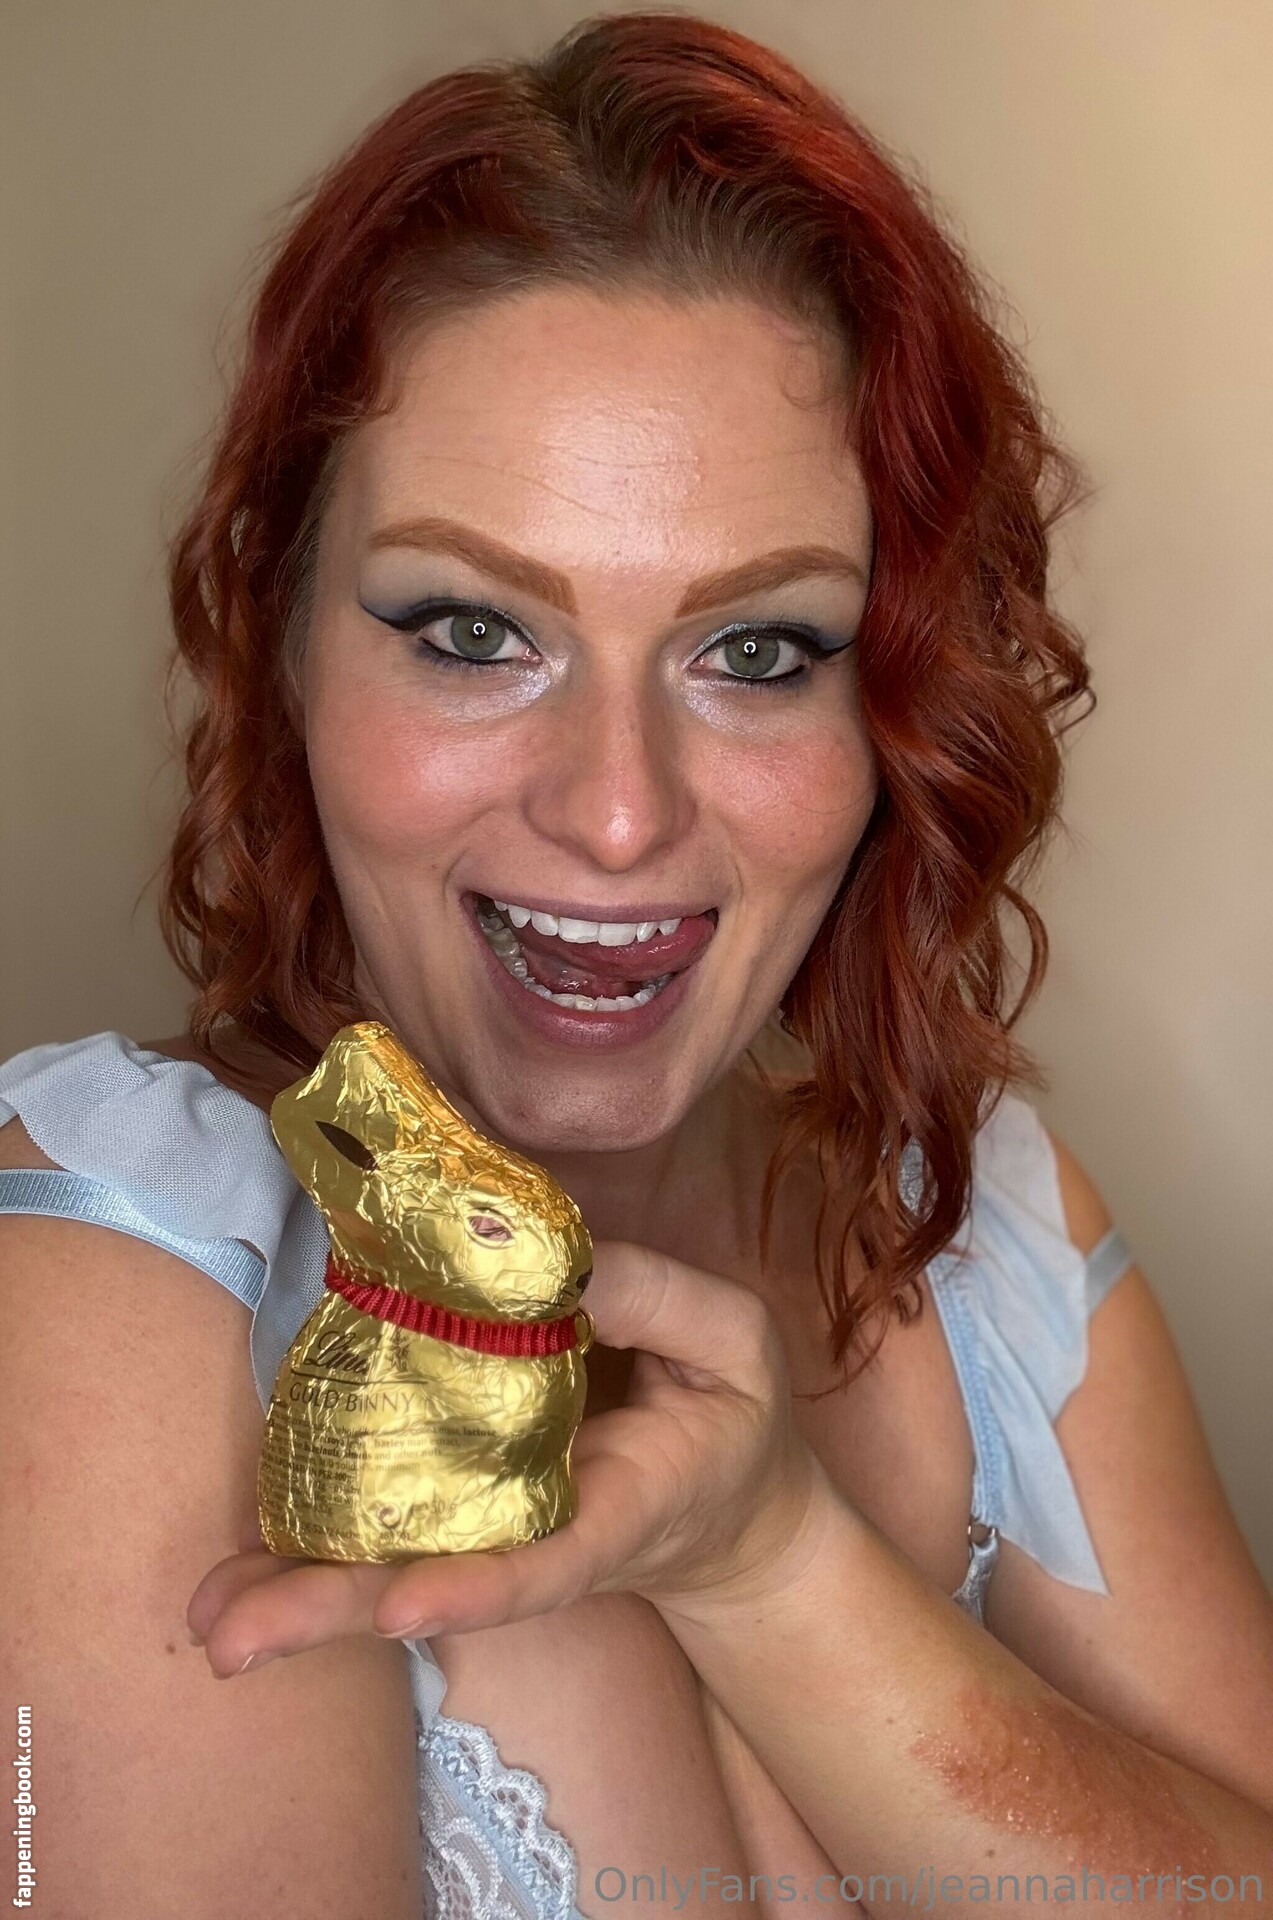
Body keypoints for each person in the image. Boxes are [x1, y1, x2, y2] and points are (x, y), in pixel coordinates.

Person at [1, 11, 1269, 1917]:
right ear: (283, 650)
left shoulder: (982, 1232)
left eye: (756, 651)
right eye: (469, 631)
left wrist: (772, 1563)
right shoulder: (117, 1278)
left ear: (899, 705)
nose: (615, 814)